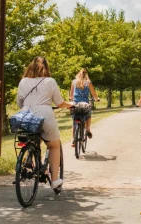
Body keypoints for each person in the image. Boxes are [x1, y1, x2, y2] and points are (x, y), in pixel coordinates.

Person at [17, 56, 74, 190]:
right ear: (47, 68)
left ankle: (29, 157)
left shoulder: (23, 81)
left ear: (30, 67)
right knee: (54, 145)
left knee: (32, 137)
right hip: (45, 115)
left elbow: (20, 103)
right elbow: (59, 103)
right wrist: (70, 105)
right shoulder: (50, 81)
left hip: (26, 116)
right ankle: (54, 180)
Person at [69, 68, 100, 147]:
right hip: (85, 104)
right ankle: (88, 129)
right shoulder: (88, 83)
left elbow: (71, 96)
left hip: (76, 105)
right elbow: (94, 95)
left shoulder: (74, 82)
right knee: (88, 115)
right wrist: (97, 99)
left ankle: (74, 140)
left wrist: (71, 99)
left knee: (75, 121)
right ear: (86, 75)